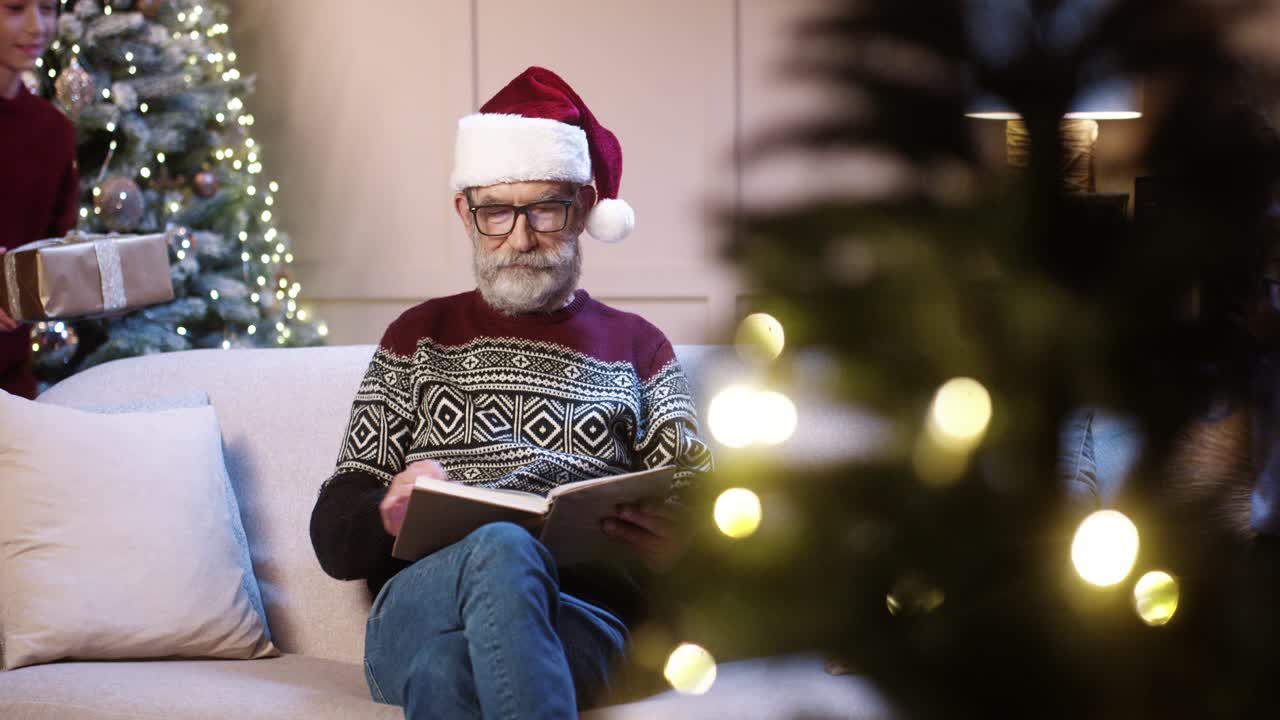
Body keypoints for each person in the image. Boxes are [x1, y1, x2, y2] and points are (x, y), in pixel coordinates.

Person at [310, 66, 713, 719]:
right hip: (418, 607)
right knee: (502, 545)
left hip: (580, 623)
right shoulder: (418, 337)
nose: (520, 239)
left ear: (582, 209)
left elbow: (717, 515)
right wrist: (385, 508)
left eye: (544, 209)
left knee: (447, 670)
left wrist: (685, 541)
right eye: (496, 211)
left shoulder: (641, 350)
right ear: (464, 213)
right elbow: (333, 534)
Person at [0, 0, 78, 399]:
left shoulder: (54, 132)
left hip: (12, 385)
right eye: (14, 8)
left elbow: (53, 246)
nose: (37, 26)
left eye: (47, 8)